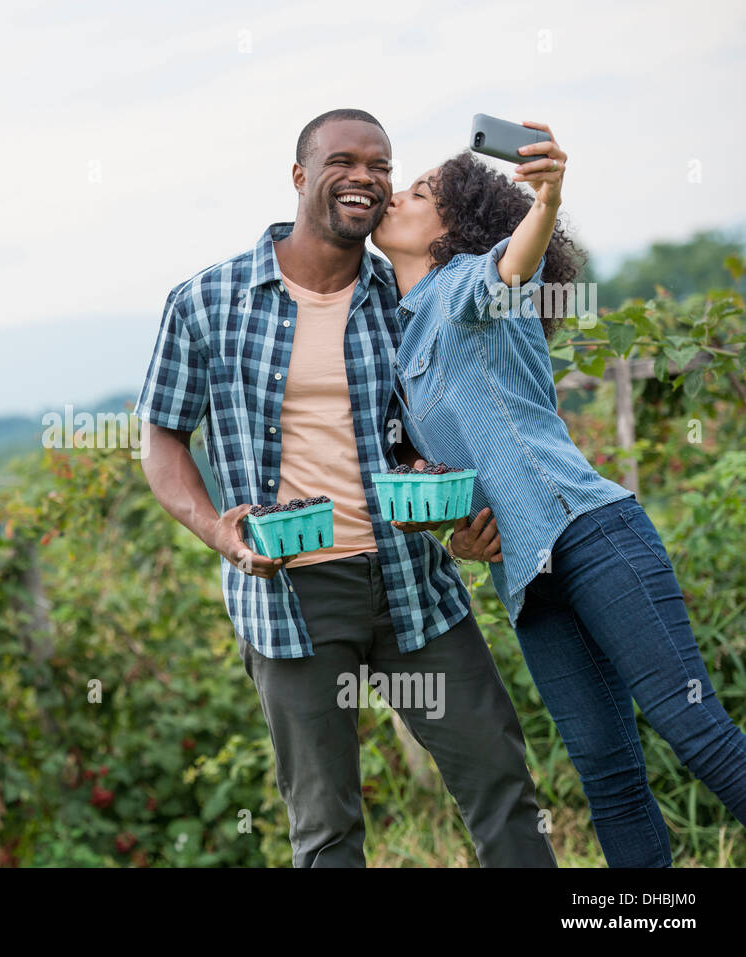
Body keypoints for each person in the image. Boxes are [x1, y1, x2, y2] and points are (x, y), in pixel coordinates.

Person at [133, 108, 556, 867]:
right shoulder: (206, 303)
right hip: (291, 599)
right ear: (300, 176)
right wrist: (217, 530)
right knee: (326, 828)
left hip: (413, 584)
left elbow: (446, 424)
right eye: (344, 160)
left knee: (500, 783)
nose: (366, 176)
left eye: (381, 165)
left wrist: (460, 515)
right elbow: (160, 436)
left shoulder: (408, 296)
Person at [371, 121, 746, 867]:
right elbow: (454, 476)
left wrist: (546, 198)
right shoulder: (402, 338)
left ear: (455, 231)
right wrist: (456, 534)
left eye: (419, 192)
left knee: (696, 732)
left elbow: (513, 266)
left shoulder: (470, 290)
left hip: (593, 537)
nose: (397, 195)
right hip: (529, 583)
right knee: (608, 778)